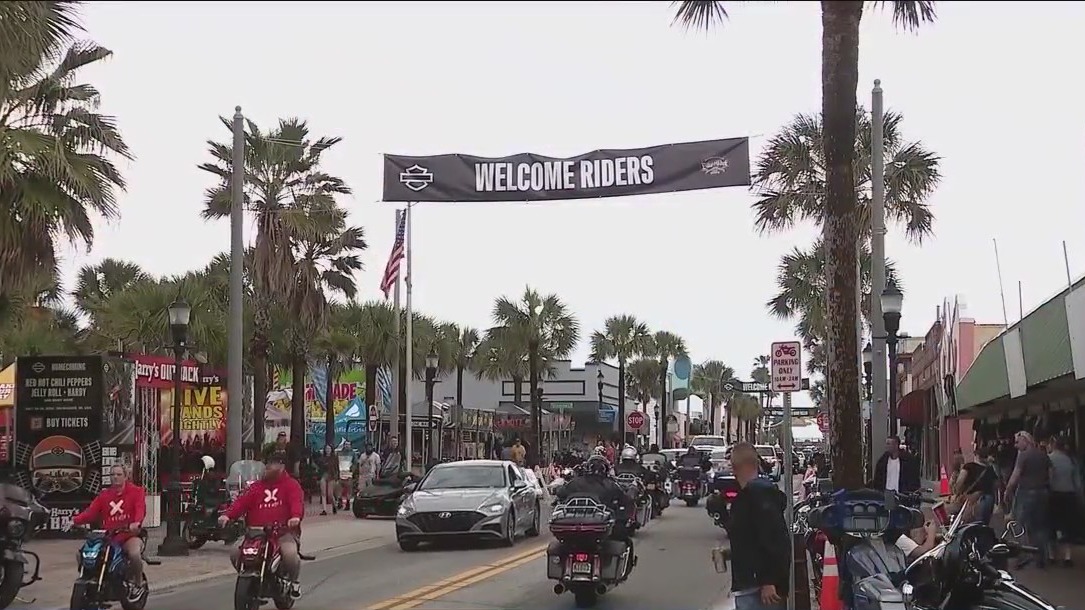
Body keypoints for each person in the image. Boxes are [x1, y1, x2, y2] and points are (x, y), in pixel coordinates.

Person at [220, 452, 305, 597]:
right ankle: (249, 577)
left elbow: (296, 502)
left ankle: (293, 583)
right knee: (235, 551)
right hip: (255, 534)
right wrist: (227, 515)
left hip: (282, 533)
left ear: (281, 467)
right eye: (266, 464)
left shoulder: (291, 485)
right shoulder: (256, 487)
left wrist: (295, 517)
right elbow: (241, 503)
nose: (267, 468)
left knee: (290, 555)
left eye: (271, 464)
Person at [725, 443, 790, 610]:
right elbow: (752, 539)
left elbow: (774, 540)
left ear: (735, 467)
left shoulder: (756, 496)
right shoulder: (756, 495)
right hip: (752, 584)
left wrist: (769, 580)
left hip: (757, 587)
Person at [70, 464, 147, 598]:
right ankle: (91, 579)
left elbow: (140, 509)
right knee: (82, 554)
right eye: (112, 475)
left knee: (134, 554)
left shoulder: (136, 491)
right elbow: (90, 513)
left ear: (125, 476)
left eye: (118, 474)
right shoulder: (104, 495)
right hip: (109, 537)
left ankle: (138, 584)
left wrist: (136, 523)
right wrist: (74, 521)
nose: (115, 477)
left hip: (129, 535)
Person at [555, 454, 635, 577]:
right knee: (625, 539)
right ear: (605, 470)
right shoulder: (610, 484)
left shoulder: (574, 483)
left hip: (575, 530)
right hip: (599, 531)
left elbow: (560, 493)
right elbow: (625, 499)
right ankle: (621, 573)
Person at [1004, 431, 1051, 569]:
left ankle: (1023, 556)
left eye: (1017, 442)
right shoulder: (1043, 455)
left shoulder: (1023, 456)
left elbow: (1016, 475)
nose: (1015, 445)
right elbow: (1050, 474)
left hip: (1026, 492)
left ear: (1026, 441)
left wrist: (1008, 489)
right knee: (1040, 526)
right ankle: (1041, 557)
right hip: (1043, 492)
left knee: (1021, 525)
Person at [1046, 436, 1081, 567]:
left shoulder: (1049, 459)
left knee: (1051, 525)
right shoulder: (1071, 460)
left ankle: (1051, 555)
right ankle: (1068, 556)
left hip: (1054, 494)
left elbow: (1047, 478)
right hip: (1069, 495)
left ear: (1053, 445)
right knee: (1068, 526)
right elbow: (1077, 482)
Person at [953, 447, 998, 525]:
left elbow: (959, 482)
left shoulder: (969, 466)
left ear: (976, 456)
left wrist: (958, 493)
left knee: (967, 525)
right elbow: (996, 486)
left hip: (971, 500)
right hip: (987, 500)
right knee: (983, 525)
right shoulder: (991, 470)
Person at [318, 445, 339, 515]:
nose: (327, 450)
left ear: (331, 449)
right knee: (323, 493)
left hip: (331, 476)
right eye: (326, 448)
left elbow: (336, 468)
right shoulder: (322, 458)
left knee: (330, 494)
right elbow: (319, 467)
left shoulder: (334, 458)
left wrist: (336, 477)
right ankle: (324, 510)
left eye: (329, 448)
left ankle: (334, 505)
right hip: (324, 475)